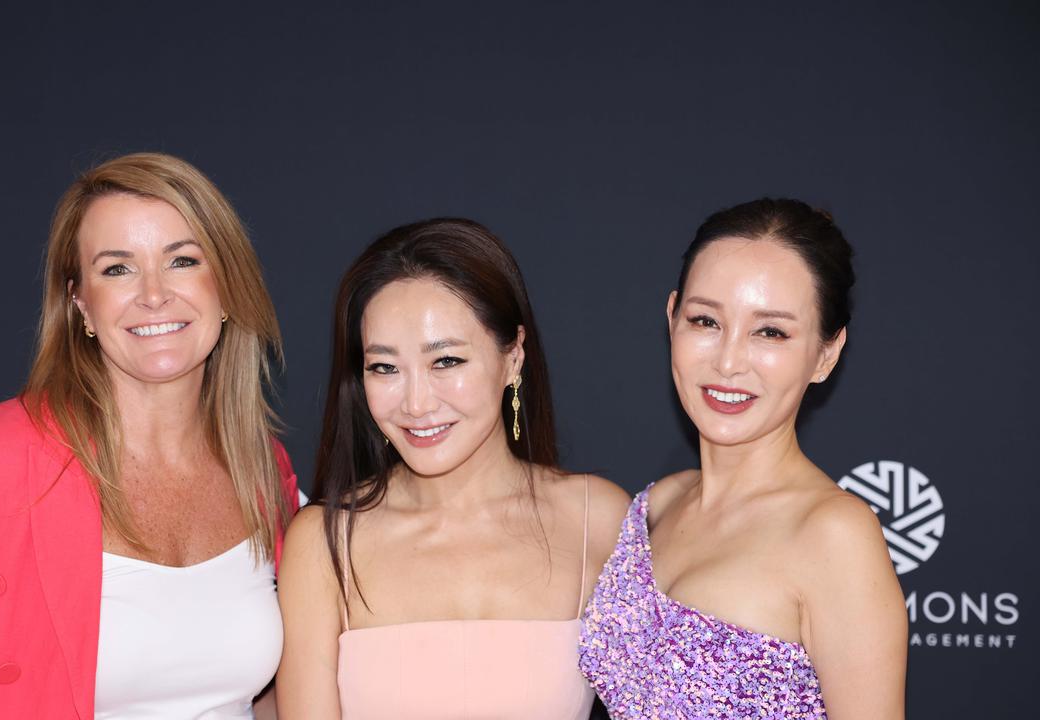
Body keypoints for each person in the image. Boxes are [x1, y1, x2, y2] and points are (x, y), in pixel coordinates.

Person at [0, 152, 299, 719]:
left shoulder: (262, 467)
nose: (154, 294)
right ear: (79, 304)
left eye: (183, 260)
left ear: (228, 288)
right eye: (117, 268)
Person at [276, 218, 629, 719]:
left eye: (446, 362)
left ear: (513, 357)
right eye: (385, 368)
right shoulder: (325, 541)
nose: (416, 404)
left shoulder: (600, 518)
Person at [580, 198, 907, 718]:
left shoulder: (833, 534)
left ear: (826, 353)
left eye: (770, 331)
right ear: (671, 320)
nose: (729, 361)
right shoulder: (656, 505)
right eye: (706, 321)